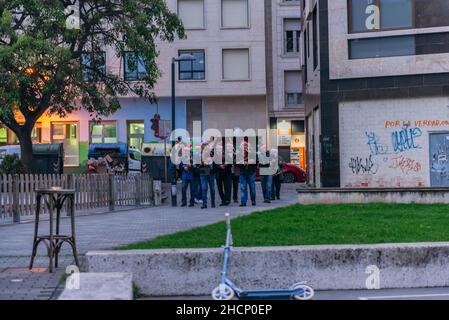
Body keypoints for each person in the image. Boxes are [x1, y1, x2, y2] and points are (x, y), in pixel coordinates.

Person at [238, 138, 256, 207]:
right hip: (242, 173)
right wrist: (243, 162)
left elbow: (256, 161)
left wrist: (249, 162)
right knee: (243, 188)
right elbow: (236, 162)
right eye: (243, 146)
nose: (244, 147)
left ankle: (253, 200)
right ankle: (243, 202)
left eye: (245, 146)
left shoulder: (252, 153)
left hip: (251, 172)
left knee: (252, 188)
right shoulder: (239, 154)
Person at [199, 142, 216, 209]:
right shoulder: (199, 155)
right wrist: (202, 164)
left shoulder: (212, 154)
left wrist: (210, 164)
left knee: (212, 189)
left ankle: (213, 203)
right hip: (203, 173)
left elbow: (215, 164)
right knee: (204, 188)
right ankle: (204, 204)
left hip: (211, 173)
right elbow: (197, 165)